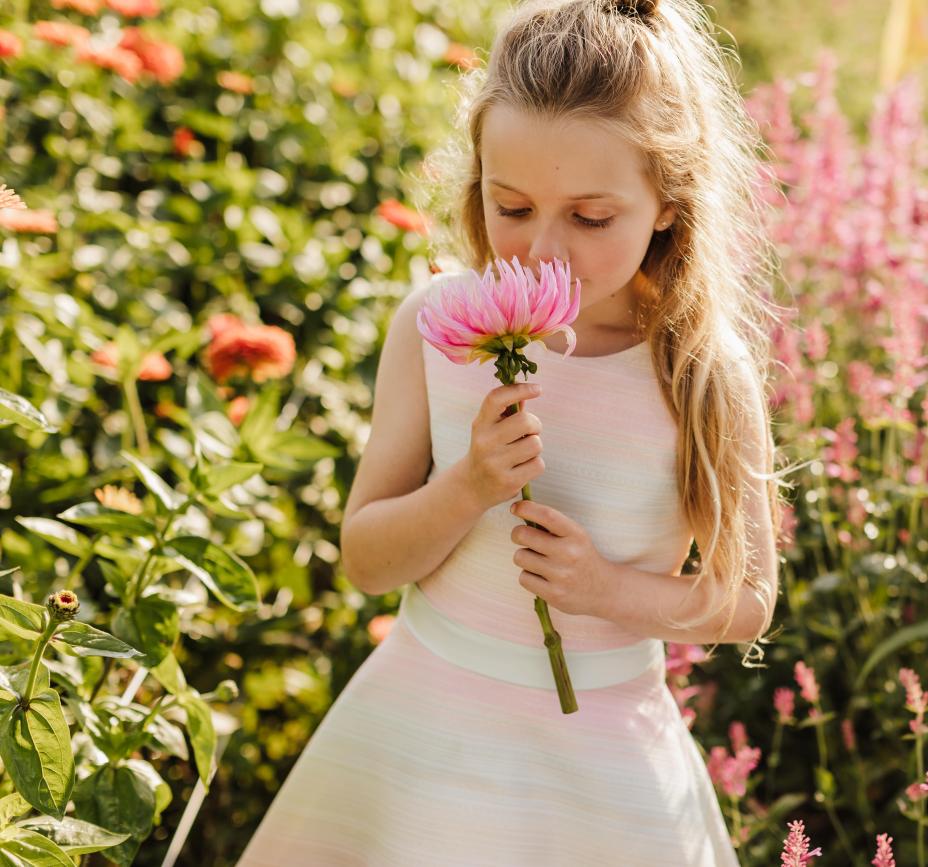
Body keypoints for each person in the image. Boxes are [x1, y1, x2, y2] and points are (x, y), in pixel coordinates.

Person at [236, 0, 791, 863]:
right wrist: (467, 486)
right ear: (477, 188)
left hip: (603, 756)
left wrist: (607, 589)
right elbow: (367, 559)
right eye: (513, 206)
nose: (543, 249)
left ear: (669, 206)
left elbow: (745, 601)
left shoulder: (697, 373)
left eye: (591, 217)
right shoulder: (434, 327)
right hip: (424, 729)